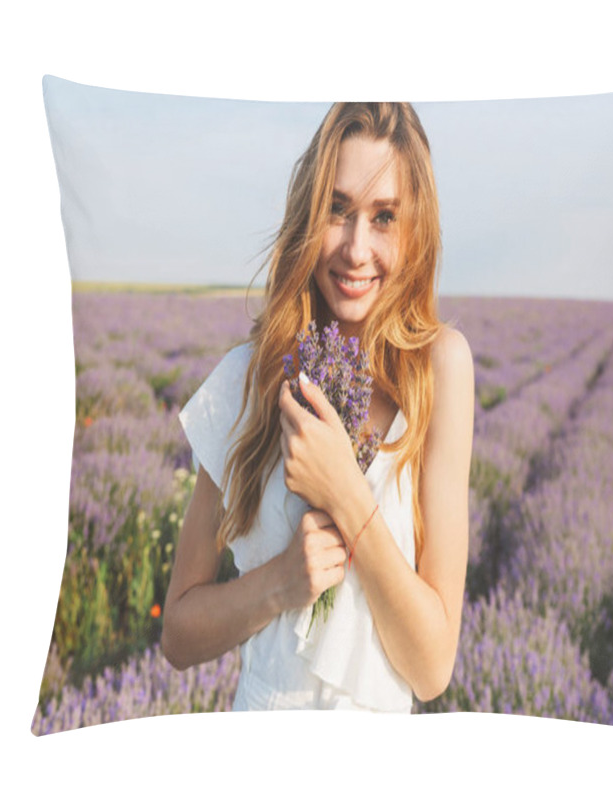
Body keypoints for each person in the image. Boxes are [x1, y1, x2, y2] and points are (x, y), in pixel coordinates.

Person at [161, 102, 474, 712]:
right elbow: (177, 632)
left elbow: (433, 667)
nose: (357, 249)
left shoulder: (439, 371)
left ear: (417, 230)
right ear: (309, 216)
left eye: (384, 217)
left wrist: (346, 494)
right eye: (338, 209)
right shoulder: (246, 378)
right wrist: (280, 582)